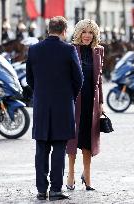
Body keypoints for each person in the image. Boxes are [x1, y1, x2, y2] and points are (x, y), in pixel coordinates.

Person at [26, 16, 83, 201]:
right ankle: (56, 190)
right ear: (64, 31)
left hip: (41, 106)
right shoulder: (69, 50)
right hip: (63, 106)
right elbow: (79, 79)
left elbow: (29, 78)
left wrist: (40, 94)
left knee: (41, 149)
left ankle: (41, 190)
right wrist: (69, 97)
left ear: (49, 29)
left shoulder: (34, 50)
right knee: (59, 149)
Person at [66, 19, 104, 191]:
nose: (87, 35)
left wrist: (101, 103)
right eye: (84, 32)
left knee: (88, 139)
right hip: (74, 101)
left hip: (92, 103)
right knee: (73, 139)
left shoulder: (99, 51)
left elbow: (100, 80)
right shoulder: (71, 50)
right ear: (79, 33)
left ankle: (87, 176)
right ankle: (71, 174)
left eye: (91, 32)